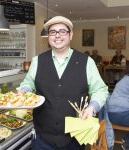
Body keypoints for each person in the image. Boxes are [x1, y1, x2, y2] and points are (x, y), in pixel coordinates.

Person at [17, 16, 108, 150]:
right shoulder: (37, 61)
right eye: (53, 32)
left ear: (70, 35)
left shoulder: (87, 62)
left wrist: (92, 107)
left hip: (75, 138)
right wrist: (24, 91)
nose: (57, 35)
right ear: (49, 36)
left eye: (62, 31)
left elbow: (100, 90)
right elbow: (28, 83)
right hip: (42, 138)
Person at [99, 62, 129, 150]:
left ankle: (126, 139)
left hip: (115, 113)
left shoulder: (125, 78)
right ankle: (127, 144)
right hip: (119, 114)